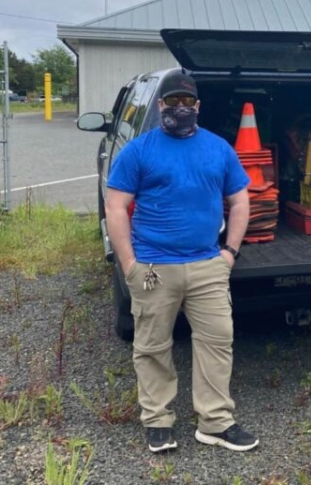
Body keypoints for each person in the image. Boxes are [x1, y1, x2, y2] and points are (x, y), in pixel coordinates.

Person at [106, 70, 260, 453]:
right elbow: (116, 206)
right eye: (172, 101)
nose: (180, 108)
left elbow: (241, 200)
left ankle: (215, 422)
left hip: (208, 264)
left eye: (186, 101)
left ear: (197, 106)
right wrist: (129, 264)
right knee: (153, 346)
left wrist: (230, 253)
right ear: (160, 106)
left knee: (217, 341)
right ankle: (158, 421)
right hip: (153, 266)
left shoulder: (219, 148)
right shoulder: (139, 151)